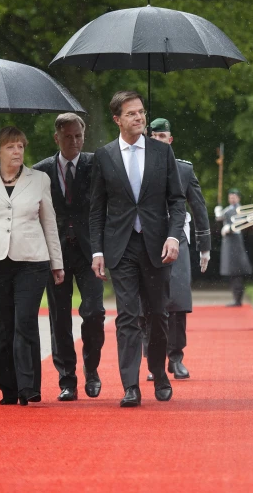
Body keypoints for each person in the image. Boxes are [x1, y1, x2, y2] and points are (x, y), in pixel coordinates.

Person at [89, 91, 185, 408]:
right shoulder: (104, 156)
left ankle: (159, 372)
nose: (139, 118)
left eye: (142, 112)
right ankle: (130, 385)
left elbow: (176, 200)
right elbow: (97, 209)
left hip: (157, 245)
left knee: (157, 315)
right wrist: (97, 251)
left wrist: (173, 236)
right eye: (131, 114)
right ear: (117, 119)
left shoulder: (161, 152)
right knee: (127, 316)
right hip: (121, 246)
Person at [0, 126, 64, 406]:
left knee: (25, 322)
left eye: (20, 146)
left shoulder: (39, 179)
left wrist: (57, 262)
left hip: (32, 261)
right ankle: (8, 387)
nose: (17, 151)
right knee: (3, 326)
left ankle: (29, 386)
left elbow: (49, 222)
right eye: (10, 147)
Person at [32, 113, 106, 402]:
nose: (74, 141)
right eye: (68, 136)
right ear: (56, 138)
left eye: (78, 136)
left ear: (84, 136)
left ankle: (92, 368)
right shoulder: (40, 173)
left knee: (94, 313)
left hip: (91, 253)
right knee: (59, 318)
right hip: (56, 254)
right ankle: (67, 380)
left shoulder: (96, 165)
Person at [146, 117, 211, 380]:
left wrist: (204, 247)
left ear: (170, 140)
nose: (159, 141)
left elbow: (198, 206)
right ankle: (154, 361)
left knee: (177, 301)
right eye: (155, 137)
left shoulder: (183, 170)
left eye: (163, 137)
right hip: (148, 239)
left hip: (178, 240)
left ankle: (176, 357)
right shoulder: (139, 168)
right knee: (149, 303)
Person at [215, 189, 253, 307]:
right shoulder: (229, 209)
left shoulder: (240, 209)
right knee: (232, 272)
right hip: (229, 242)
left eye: (234, 197)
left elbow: (241, 223)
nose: (232, 199)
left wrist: (230, 228)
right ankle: (236, 298)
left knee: (236, 271)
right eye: (230, 197)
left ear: (238, 198)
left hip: (235, 241)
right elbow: (220, 218)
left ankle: (238, 299)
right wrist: (218, 212)